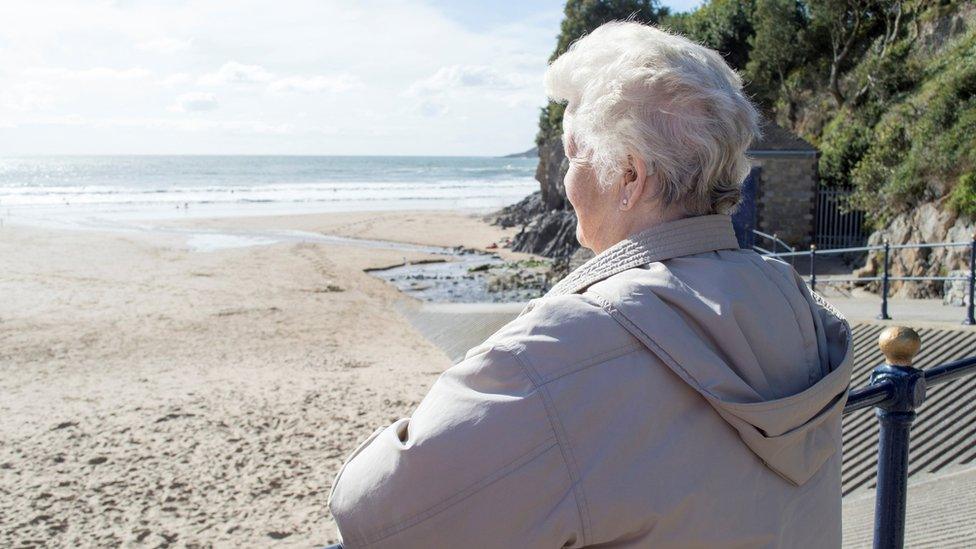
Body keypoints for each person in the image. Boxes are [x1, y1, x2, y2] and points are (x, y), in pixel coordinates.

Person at [327, 20, 853, 548]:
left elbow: (374, 512)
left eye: (574, 154)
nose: (565, 178)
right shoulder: (793, 299)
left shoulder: (561, 350)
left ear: (629, 177)